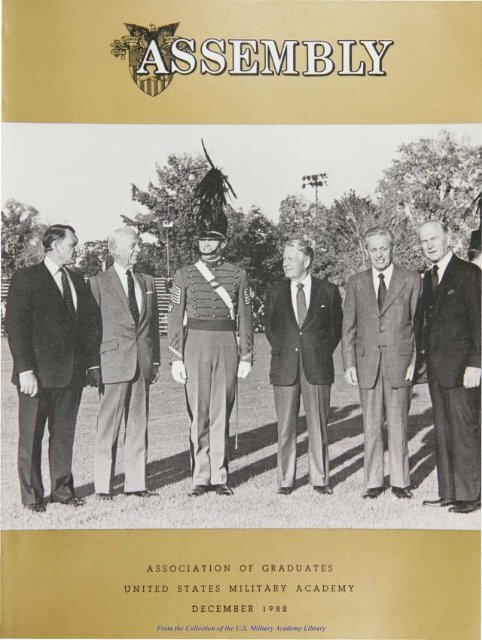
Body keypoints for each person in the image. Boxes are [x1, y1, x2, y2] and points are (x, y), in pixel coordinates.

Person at [167, 149, 253, 497]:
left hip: (225, 345)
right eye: (202, 239)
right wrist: (175, 356)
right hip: (195, 344)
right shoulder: (184, 275)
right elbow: (175, 317)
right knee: (198, 413)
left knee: (221, 411)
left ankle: (220, 476)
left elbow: (245, 317)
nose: (205, 244)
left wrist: (246, 354)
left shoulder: (238, 274)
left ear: (223, 241)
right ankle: (199, 476)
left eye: (212, 239)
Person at [5, 224, 99, 512]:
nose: (76, 247)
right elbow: (16, 327)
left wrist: (91, 365)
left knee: (63, 436)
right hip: (37, 377)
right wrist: (24, 370)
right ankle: (32, 497)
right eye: (73, 243)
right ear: (55, 245)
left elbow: (88, 326)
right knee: (31, 437)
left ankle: (62, 491)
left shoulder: (77, 279)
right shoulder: (26, 278)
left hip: (71, 375)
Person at [342, 227, 421, 499]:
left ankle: (400, 482)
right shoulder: (355, 282)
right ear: (367, 251)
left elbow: (418, 326)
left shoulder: (411, 279)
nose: (378, 254)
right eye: (373, 249)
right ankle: (373, 482)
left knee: (399, 424)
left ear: (392, 248)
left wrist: (414, 360)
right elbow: (348, 327)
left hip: (400, 363)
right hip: (367, 365)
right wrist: (349, 363)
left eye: (383, 248)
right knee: (371, 425)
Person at [264, 238, 342, 495]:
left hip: (317, 367)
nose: (284, 263)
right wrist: (288, 350)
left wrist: (315, 351)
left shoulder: (328, 291)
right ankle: (285, 480)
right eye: (284, 258)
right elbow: (271, 329)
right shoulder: (274, 292)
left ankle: (320, 479)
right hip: (284, 367)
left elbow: (334, 331)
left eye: (290, 258)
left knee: (318, 425)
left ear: (306, 261)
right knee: (285, 426)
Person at [89, 228, 160, 499]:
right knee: (108, 428)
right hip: (112, 363)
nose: (138, 249)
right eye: (132, 245)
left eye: (138, 244)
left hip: (141, 364)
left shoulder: (148, 281)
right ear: (115, 250)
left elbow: (151, 326)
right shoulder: (97, 283)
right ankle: (102, 487)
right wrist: (93, 366)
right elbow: (91, 329)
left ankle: (136, 484)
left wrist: (154, 361)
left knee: (139, 426)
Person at [416, 220, 480, 514]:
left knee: (465, 431)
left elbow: (479, 322)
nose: (429, 245)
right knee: (443, 432)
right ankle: (449, 492)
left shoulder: (468, 273)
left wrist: (476, 364)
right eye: (423, 241)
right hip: (437, 370)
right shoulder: (428, 278)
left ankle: (470, 495)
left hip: (462, 369)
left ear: (448, 238)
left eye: (433, 239)